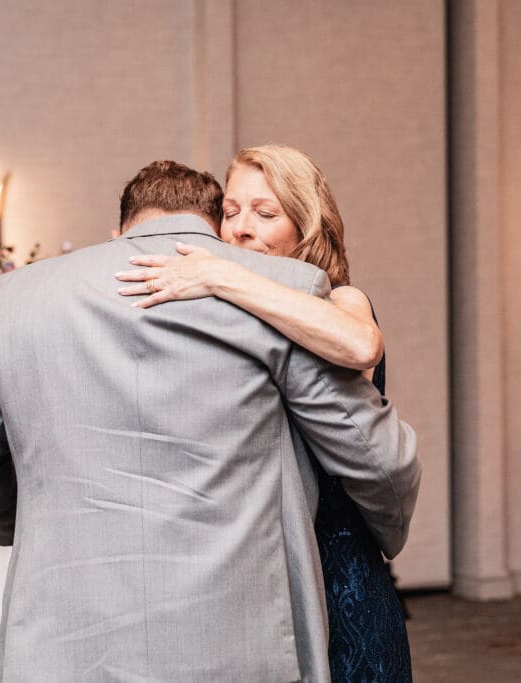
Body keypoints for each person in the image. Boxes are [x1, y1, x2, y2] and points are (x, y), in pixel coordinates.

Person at [0, 159, 420, 681]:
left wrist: (34, 523)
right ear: (215, 228)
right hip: (236, 640)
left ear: (119, 232)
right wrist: (386, 534)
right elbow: (378, 459)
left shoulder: (16, 298)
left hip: (64, 642)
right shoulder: (280, 290)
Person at [115, 145, 412, 681]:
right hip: (252, 574)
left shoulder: (342, 298)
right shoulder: (226, 311)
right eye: (230, 212)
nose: (241, 230)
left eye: (265, 212)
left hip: (338, 572)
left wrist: (221, 276)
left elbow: (360, 344)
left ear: (307, 225)